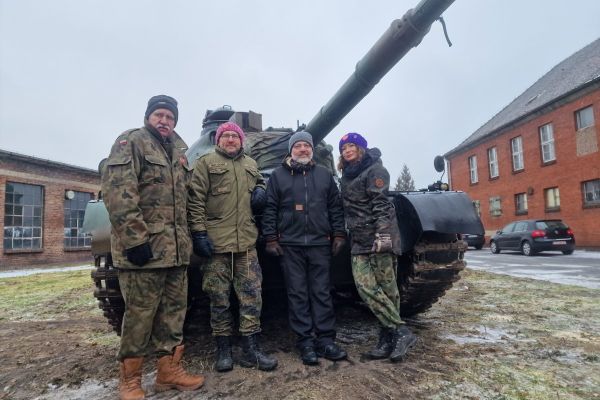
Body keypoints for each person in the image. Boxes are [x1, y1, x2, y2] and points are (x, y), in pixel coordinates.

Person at [101, 95, 204, 400]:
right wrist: (135, 240)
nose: (164, 121)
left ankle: (168, 373)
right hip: (145, 250)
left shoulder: (180, 151)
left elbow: (186, 200)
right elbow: (119, 192)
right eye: (159, 115)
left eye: (170, 117)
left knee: (174, 314)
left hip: (175, 251)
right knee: (139, 316)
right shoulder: (131, 142)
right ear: (148, 117)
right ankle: (130, 381)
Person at [187, 121, 277, 372]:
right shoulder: (205, 163)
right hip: (216, 245)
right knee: (219, 300)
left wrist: (260, 190)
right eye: (225, 136)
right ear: (218, 140)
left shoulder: (250, 163)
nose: (230, 139)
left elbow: (259, 182)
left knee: (252, 298)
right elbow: (195, 200)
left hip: (246, 245)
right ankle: (223, 349)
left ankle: (251, 349)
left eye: (234, 136)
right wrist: (199, 234)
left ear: (241, 140)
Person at [262, 131, 347, 365]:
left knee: (322, 292)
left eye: (306, 146)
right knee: (297, 293)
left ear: (312, 149)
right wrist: (271, 238)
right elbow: (270, 208)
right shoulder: (278, 176)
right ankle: (305, 342)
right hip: (290, 244)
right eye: (298, 146)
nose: (302, 149)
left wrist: (339, 233)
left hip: (320, 243)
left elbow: (335, 207)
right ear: (291, 151)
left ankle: (326, 340)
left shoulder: (324, 174)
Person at [337, 132, 417, 363]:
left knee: (387, 289)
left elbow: (381, 204)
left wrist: (382, 235)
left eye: (351, 146)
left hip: (378, 237)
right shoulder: (347, 175)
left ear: (361, 148)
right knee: (366, 287)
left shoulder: (375, 170)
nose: (347, 151)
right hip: (359, 239)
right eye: (343, 148)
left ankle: (388, 338)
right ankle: (400, 331)